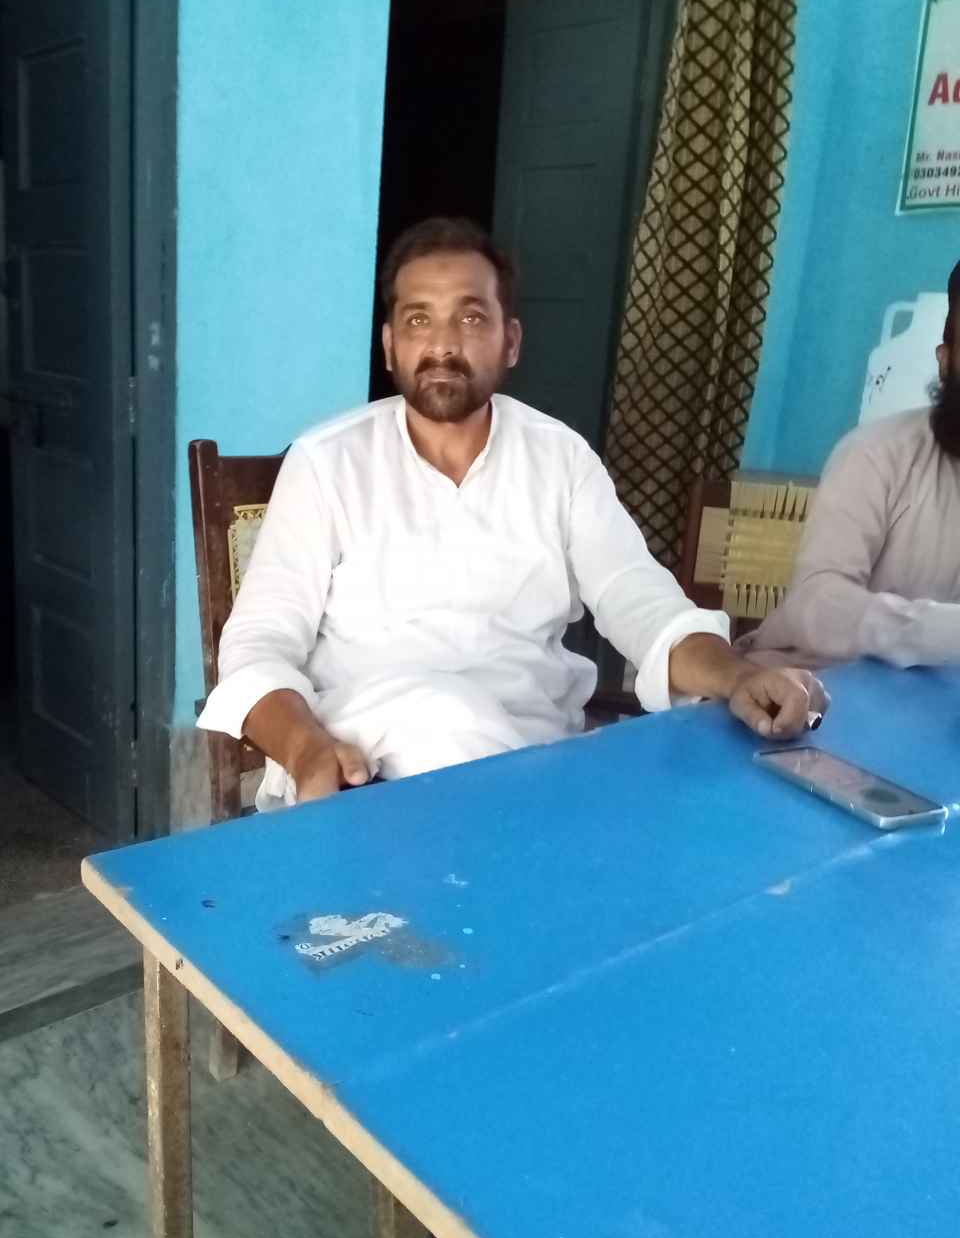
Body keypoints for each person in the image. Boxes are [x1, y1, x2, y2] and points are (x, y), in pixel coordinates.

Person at [198, 217, 827, 809]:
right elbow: (258, 644)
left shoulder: (560, 459)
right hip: (361, 775)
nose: (442, 344)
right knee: (443, 720)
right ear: (390, 345)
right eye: (418, 319)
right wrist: (304, 749)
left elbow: (639, 599)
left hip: (529, 765)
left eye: (471, 317)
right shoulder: (326, 463)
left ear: (511, 342)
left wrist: (736, 675)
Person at [740, 259, 960, 671]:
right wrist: (937, 632)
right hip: (810, 687)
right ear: (945, 360)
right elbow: (817, 603)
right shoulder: (877, 455)